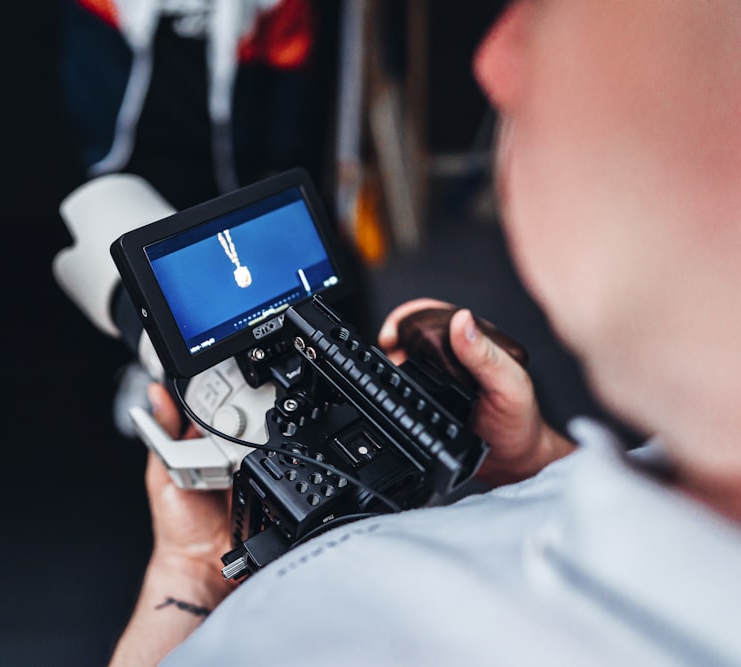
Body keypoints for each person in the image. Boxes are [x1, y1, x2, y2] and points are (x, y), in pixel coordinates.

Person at [109, 1, 741, 664]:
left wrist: (187, 580)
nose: (493, 62)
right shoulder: (665, 473)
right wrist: (537, 464)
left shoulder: (281, 642)